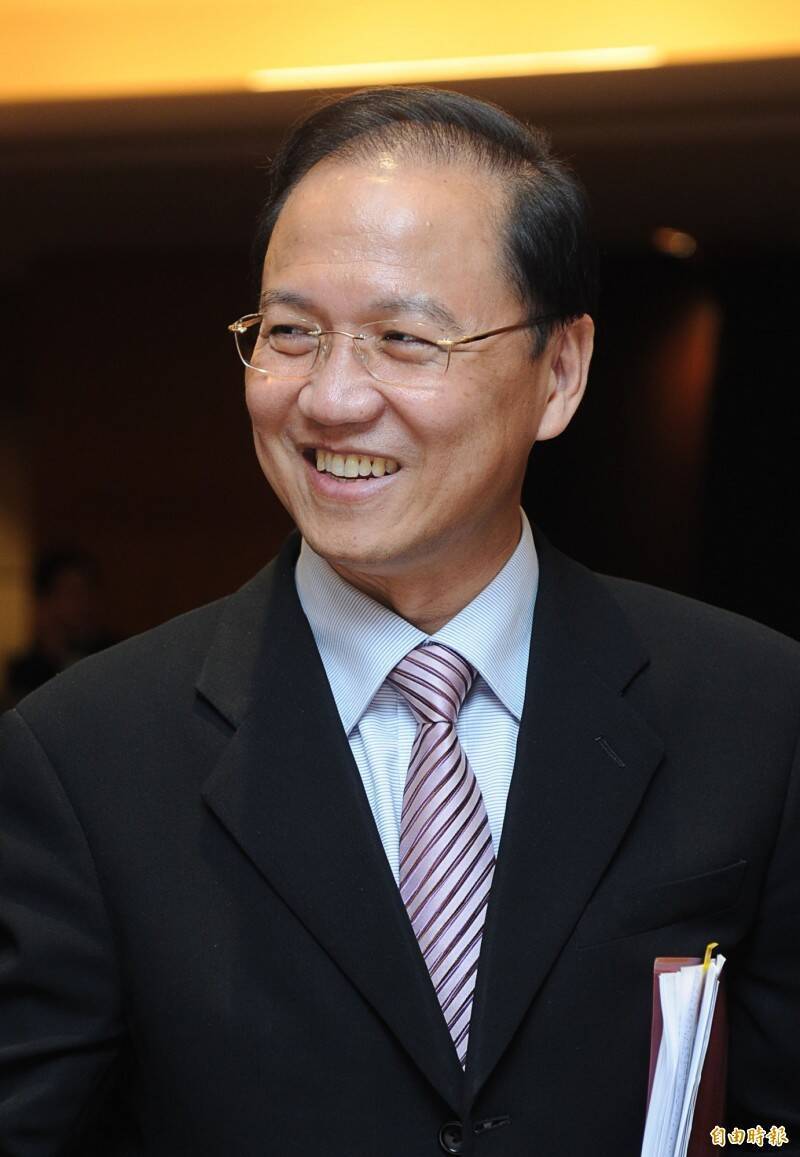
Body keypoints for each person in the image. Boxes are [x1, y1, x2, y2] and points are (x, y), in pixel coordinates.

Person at [1, 87, 798, 1157]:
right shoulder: (81, 756)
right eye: (291, 332)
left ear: (559, 372)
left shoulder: (755, 710)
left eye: (403, 338)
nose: (330, 398)